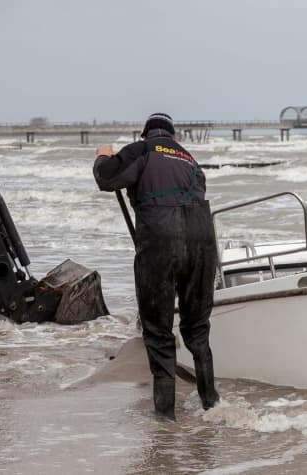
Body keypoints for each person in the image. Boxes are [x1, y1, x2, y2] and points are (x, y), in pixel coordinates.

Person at [93, 112, 219, 419]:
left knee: (159, 331)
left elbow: (107, 178)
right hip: (203, 239)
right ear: (173, 136)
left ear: (145, 135)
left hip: (161, 240)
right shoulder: (191, 161)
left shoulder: (143, 150)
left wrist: (103, 155)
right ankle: (212, 405)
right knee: (197, 330)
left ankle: (165, 416)